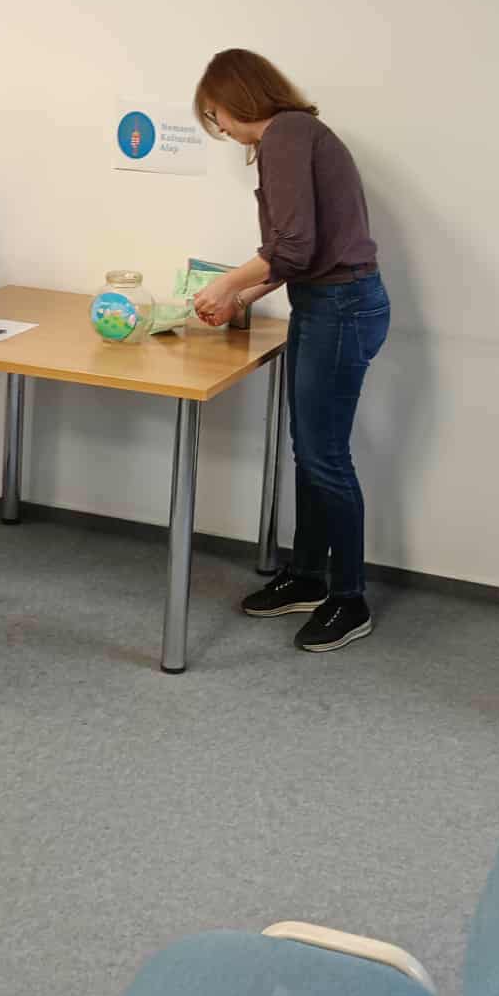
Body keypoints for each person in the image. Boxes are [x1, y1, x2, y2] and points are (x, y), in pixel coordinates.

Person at [190, 51, 390, 653]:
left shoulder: (286, 135)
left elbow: (294, 246)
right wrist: (242, 295)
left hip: (342, 307)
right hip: (327, 302)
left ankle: (349, 599)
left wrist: (225, 284)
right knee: (310, 452)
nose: (220, 128)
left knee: (325, 457)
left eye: (215, 114)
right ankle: (307, 577)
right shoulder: (293, 136)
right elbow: (296, 253)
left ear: (237, 98)